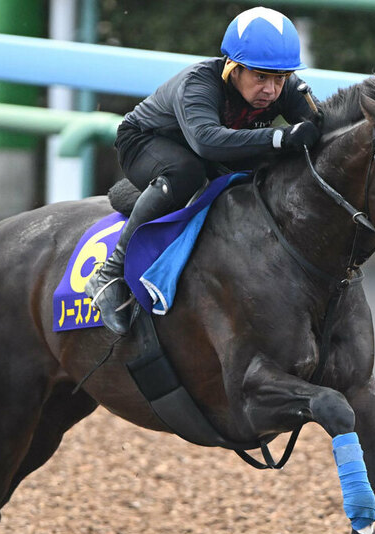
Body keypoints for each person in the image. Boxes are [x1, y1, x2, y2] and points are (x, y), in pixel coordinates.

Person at [86, 6, 322, 335]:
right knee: (187, 171)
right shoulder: (198, 83)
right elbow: (207, 143)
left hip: (207, 150)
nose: (271, 90)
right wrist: (281, 136)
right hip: (149, 142)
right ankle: (110, 272)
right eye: (260, 77)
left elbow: (321, 127)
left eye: (280, 79)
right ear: (232, 68)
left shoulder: (285, 87)